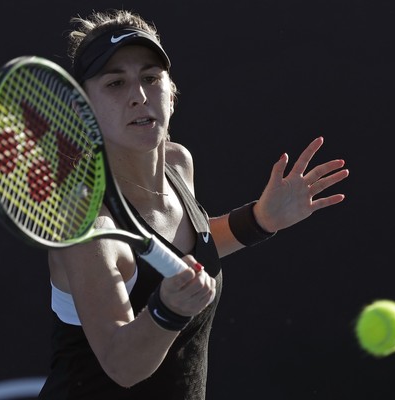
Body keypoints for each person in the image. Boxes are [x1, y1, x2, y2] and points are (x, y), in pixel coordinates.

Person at [38, 9, 349, 400]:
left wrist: (259, 220)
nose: (138, 95)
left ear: (171, 92)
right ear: (84, 107)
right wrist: (165, 310)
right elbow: (121, 366)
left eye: (150, 78)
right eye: (115, 83)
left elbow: (187, 245)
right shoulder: (86, 224)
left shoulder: (177, 163)